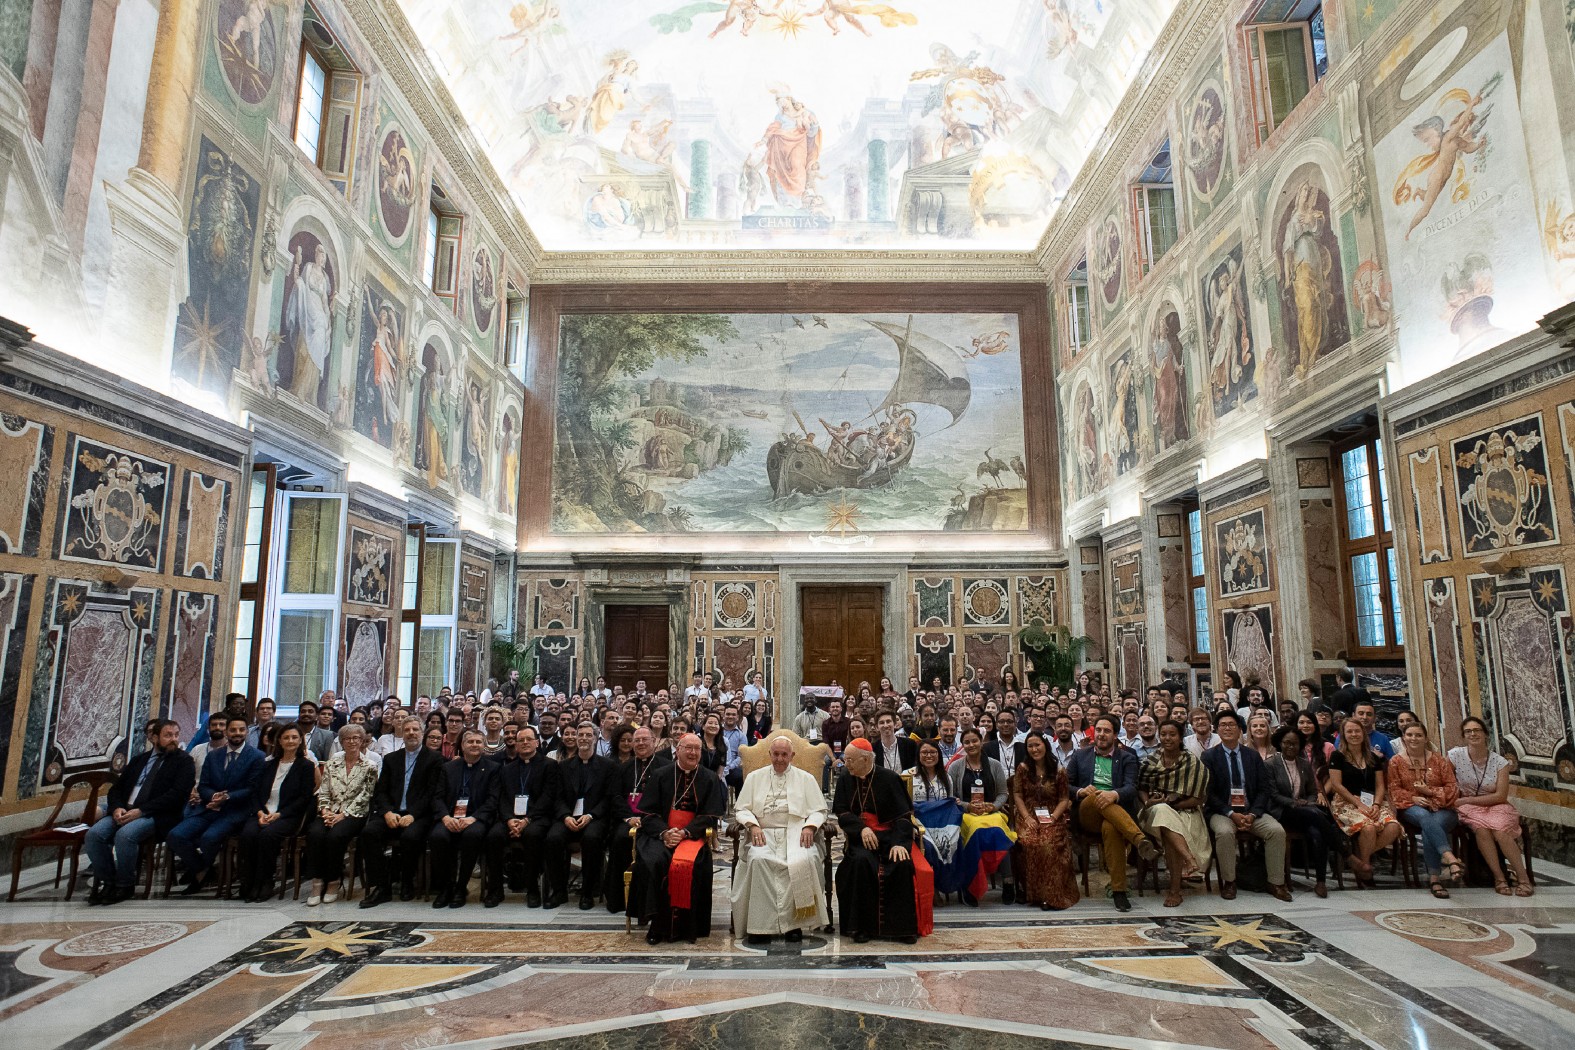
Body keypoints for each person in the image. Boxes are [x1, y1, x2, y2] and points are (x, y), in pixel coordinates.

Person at [86, 720, 195, 906]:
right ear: (154, 738)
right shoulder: (139, 760)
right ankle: (108, 882)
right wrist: (117, 808)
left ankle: (125, 884)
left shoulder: (183, 762)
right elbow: (116, 789)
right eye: (168, 735)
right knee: (94, 835)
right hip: (125, 810)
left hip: (156, 815)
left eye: (176, 735)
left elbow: (177, 795)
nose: (174, 740)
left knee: (125, 835)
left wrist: (142, 811)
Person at [732, 737, 828, 943]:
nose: (780, 759)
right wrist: (753, 825)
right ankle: (760, 927)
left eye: (784, 755)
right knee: (758, 860)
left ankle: (794, 926)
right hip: (763, 834)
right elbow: (741, 808)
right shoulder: (754, 778)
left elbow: (819, 810)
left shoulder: (806, 779)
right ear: (770, 754)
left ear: (792, 756)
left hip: (797, 833)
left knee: (805, 859)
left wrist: (810, 826)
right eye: (776, 754)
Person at [636, 734, 726, 944]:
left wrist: (685, 832)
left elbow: (711, 815)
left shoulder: (709, 777)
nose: (693, 753)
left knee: (692, 865)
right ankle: (657, 927)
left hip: (692, 836)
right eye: (688, 748)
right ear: (677, 750)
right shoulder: (660, 775)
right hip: (660, 836)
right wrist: (665, 833)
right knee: (654, 862)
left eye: (697, 749)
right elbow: (647, 813)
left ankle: (688, 927)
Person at [833, 739, 923, 944]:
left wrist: (900, 842)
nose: (846, 764)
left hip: (891, 838)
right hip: (861, 839)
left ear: (865, 759)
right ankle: (861, 928)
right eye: (846, 760)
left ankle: (902, 929)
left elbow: (903, 816)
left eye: (850, 760)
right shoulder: (846, 778)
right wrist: (861, 828)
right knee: (860, 863)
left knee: (901, 864)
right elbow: (842, 811)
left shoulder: (889, 778)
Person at [1066, 715, 1159, 912]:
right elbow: (1065, 785)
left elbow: (1131, 787)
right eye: (1098, 730)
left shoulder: (1127, 757)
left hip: (1115, 814)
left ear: (1116, 735)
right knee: (1095, 797)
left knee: (1111, 828)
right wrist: (1081, 791)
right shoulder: (1079, 755)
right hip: (1086, 812)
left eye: (1106, 731)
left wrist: (1114, 794)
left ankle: (1119, 891)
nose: (1101, 734)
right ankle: (1138, 838)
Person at [1201, 711, 1292, 902]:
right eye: (1223, 725)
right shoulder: (1209, 756)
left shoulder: (1252, 756)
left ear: (1240, 729)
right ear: (1217, 730)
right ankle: (1229, 882)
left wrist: (1253, 813)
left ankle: (1275, 882)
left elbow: (1264, 789)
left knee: (1276, 831)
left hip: (1252, 810)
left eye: (1231, 724)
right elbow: (1208, 793)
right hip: (1222, 811)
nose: (1227, 728)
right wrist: (1230, 813)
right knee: (1224, 833)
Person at [170, 715, 265, 894]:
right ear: (226, 732)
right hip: (209, 807)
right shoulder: (214, 756)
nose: (237, 733)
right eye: (233, 730)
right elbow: (203, 784)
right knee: (176, 835)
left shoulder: (257, 757)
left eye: (241, 730)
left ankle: (199, 875)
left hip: (236, 810)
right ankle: (202, 870)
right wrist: (213, 796)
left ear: (246, 732)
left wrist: (227, 797)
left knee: (209, 838)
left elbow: (253, 788)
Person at [359, 714, 444, 907]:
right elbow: (380, 792)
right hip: (393, 812)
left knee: (410, 837)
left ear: (422, 733)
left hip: (419, 815)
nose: (411, 733)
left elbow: (432, 794)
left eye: (415, 729)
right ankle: (382, 886)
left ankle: (407, 882)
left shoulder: (435, 759)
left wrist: (413, 815)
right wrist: (387, 812)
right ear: (401, 733)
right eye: (407, 730)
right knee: (369, 833)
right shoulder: (391, 759)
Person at [1448, 716, 1532, 896]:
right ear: (1463, 736)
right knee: (1481, 830)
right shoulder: (1455, 756)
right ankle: (1499, 878)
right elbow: (1446, 782)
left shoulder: (1499, 762)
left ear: (1485, 734)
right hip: (1469, 809)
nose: (1473, 734)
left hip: (1495, 804)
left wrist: (1467, 800)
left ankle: (1523, 878)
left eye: (1477, 730)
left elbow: (1500, 796)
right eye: (1468, 731)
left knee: (1501, 832)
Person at [235, 723, 315, 903]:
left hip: (287, 815)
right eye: (286, 737)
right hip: (262, 812)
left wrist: (279, 814)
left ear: (301, 740)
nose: (290, 741)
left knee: (268, 836)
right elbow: (254, 792)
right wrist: (259, 813)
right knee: (248, 834)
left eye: (294, 737)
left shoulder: (306, 766)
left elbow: (304, 798)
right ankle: (248, 882)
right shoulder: (267, 764)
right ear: (279, 740)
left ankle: (265, 882)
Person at [1138, 719, 1213, 908]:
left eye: (1172, 734)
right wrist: (1149, 801)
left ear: (1180, 738)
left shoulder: (1192, 762)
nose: (1167, 738)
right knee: (1162, 811)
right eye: (1163, 734)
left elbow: (1198, 798)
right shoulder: (1150, 762)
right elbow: (1142, 788)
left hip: (1186, 810)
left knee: (1168, 826)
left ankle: (1175, 891)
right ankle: (1188, 859)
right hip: (1152, 813)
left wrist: (1173, 804)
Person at [485, 726, 560, 908]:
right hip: (510, 818)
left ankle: (532, 889)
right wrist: (509, 819)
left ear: (536, 742)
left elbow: (548, 797)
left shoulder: (549, 766)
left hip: (537, 818)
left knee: (532, 835)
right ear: (515, 745)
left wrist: (528, 819)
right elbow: (501, 798)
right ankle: (495, 890)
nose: (525, 743)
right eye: (521, 740)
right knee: (493, 836)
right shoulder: (507, 769)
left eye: (529, 739)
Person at [302, 725, 377, 906]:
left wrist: (343, 815)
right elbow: (324, 789)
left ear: (362, 741)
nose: (351, 742)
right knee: (315, 833)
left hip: (354, 814)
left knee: (336, 836)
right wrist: (326, 810)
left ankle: (333, 881)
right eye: (347, 739)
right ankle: (317, 881)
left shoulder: (370, 765)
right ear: (341, 742)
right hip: (329, 811)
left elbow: (366, 795)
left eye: (356, 738)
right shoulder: (333, 761)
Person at [547, 721, 618, 909]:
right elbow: (558, 797)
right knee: (553, 838)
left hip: (594, 818)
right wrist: (565, 816)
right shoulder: (563, 766)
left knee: (592, 838)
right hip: (568, 816)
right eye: (581, 735)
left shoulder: (608, 766)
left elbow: (608, 798)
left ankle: (587, 893)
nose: (584, 739)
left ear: (595, 739)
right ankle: (559, 891)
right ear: (576, 739)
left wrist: (591, 815)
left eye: (589, 735)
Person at [1389, 722, 1462, 899]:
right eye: (1410, 735)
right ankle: (1448, 858)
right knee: (1424, 817)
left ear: (1426, 738)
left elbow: (1452, 788)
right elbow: (1393, 789)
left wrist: (1430, 792)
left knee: (1432, 823)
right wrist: (1413, 798)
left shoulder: (1439, 760)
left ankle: (1435, 877)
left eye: (1418, 735)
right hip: (1412, 808)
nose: (1414, 738)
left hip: (1443, 808)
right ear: (1404, 738)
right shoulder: (1396, 762)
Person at [1265, 724, 1339, 899]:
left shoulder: (1304, 764)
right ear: (1280, 743)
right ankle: (1345, 853)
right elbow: (1272, 794)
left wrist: (1309, 802)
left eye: (1295, 744)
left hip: (1305, 812)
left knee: (1318, 833)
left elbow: (1313, 791)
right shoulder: (1271, 764)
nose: (1291, 747)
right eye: (1287, 743)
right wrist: (1294, 803)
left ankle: (1320, 881)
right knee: (1316, 815)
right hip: (1282, 812)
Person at [1327, 717, 1401, 888]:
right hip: (1346, 802)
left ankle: (1360, 861)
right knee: (1368, 827)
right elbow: (1337, 785)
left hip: (1373, 801)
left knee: (1393, 827)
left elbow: (1380, 785)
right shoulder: (1337, 756)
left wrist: (1376, 804)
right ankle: (1366, 868)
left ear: (1363, 733)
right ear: (1344, 735)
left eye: (1357, 731)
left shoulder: (1372, 757)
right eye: (1350, 731)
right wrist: (1358, 804)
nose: (1354, 734)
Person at [429, 729, 499, 909]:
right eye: (471, 742)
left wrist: (473, 818)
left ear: (484, 745)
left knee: (472, 836)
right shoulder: (448, 768)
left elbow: (493, 800)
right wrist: (445, 817)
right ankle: (446, 887)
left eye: (478, 742)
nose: (475, 745)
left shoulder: (493, 768)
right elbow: (437, 797)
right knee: (438, 837)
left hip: (476, 819)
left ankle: (461, 887)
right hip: (450, 817)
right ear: (462, 745)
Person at [605, 726, 671, 913]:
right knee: (620, 838)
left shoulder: (665, 767)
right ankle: (619, 900)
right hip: (628, 820)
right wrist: (628, 818)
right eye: (637, 740)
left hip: (655, 821)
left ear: (654, 742)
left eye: (645, 740)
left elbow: (667, 799)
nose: (641, 743)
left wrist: (649, 819)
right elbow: (616, 796)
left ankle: (650, 899)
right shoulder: (623, 768)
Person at [1011, 730, 1078, 910]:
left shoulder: (1059, 770)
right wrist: (1026, 817)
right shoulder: (1023, 769)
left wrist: (1053, 817)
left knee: (1048, 843)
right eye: (1030, 746)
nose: (1034, 749)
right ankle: (1032, 893)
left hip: (1052, 814)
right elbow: (1017, 794)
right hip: (1028, 815)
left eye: (1037, 745)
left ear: (1045, 745)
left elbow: (1064, 799)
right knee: (1029, 841)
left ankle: (1051, 895)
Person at [948, 728, 1016, 903]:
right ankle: (972, 883)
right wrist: (967, 806)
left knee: (999, 831)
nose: (971, 745)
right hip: (967, 814)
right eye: (967, 742)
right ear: (962, 745)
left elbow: (1003, 793)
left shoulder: (994, 764)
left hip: (991, 811)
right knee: (975, 831)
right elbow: (951, 796)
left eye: (974, 741)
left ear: (981, 741)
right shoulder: (956, 767)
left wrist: (993, 806)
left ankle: (1008, 882)